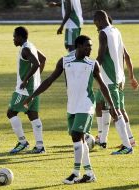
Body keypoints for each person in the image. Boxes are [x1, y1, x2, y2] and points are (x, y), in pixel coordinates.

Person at [24, 35, 119, 184]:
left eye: (91, 46)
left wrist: (113, 107)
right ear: (78, 46)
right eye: (87, 46)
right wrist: (32, 96)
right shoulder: (64, 61)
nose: (90, 49)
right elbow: (49, 80)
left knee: (76, 135)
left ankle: (75, 173)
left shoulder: (92, 64)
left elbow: (103, 86)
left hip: (86, 105)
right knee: (79, 140)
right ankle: (89, 174)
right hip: (72, 106)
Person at [93, 10, 133, 154]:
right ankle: (102, 140)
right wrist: (129, 76)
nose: (95, 27)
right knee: (99, 104)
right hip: (115, 77)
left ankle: (127, 146)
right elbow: (125, 55)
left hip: (109, 79)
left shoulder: (103, 33)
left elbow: (101, 56)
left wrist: (89, 69)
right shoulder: (116, 31)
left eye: (95, 23)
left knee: (114, 111)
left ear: (98, 20)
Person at [7, 26, 46, 154]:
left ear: (20, 37)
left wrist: (26, 79)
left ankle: (23, 142)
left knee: (11, 113)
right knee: (33, 115)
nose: (13, 39)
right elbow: (43, 59)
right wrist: (36, 78)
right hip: (35, 87)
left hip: (24, 90)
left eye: (14, 37)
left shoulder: (26, 49)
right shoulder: (31, 46)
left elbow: (37, 63)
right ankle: (40, 146)